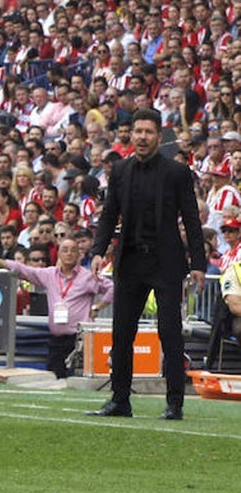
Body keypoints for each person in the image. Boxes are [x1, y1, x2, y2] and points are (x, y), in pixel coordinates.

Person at [88, 109, 206, 421]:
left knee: (170, 333)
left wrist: (199, 263)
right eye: (137, 131)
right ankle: (120, 400)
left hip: (165, 260)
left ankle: (175, 403)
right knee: (122, 333)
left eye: (148, 132)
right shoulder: (121, 171)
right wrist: (99, 251)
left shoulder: (176, 173)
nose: (141, 137)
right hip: (130, 259)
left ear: (158, 136)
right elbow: (108, 216)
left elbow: (192, 219)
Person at [0, 239, 113, 378]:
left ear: (79, 254)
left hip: (79, 339)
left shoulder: (87, 277)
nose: (69, 254)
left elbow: (111, 288)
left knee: (78, 379)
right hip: (56, 338)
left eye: (73, 250)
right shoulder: (49, 275)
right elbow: (25, 270)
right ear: (58, 254)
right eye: (65, 250)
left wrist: (99, 306)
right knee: (54, 377)